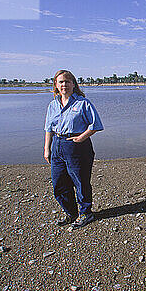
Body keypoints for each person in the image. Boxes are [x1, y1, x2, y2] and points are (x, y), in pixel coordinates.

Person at [44, 69, 104, 229]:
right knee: (59, 183)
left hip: (77, 146)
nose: (64, 85)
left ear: (73, 84)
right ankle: (71, 213)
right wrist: (47, 148)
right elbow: (48, 128)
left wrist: (80, 138)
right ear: (56, 85)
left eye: (67, 81)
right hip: (57, 145)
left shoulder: (83, 103)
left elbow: (95, 125)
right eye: (60, 82)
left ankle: (86, 213)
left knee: (81, 181)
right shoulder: (52, 105)